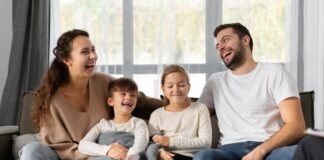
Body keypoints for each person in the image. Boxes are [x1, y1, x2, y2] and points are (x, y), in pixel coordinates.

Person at [193, 23, 305, 160]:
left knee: (298, 153)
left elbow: (296, 125)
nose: (221, 47)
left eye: (225, 40)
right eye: (217, 46)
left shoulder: (274, 73)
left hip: (271, 149)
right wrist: (159, 104)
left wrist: (260, 151)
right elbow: (190, 114)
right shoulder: (215, 81)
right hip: (228, 152)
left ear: (245, 40)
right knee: (203, 156)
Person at [19, 29, 116, 159]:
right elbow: (56, 146)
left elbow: (138, 100)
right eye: (85, 52)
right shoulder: (50, 95)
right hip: (62, 156)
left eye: (93, 50)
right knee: (32, 149)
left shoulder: (105, 82)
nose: (93, 56)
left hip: (98, 154)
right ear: (66, 60)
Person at [147, 64, 212, 160]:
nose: (176, 90)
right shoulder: (157, 115)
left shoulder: (200, 109)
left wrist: (171, 141)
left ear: (188, 87)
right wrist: (160, 153)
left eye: (181, 85)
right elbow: (150, 143)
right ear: (163, 89)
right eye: (170, 86)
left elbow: (206, 143)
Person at [78, 77, 149, 160]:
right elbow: (83, 145)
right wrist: (108, 150)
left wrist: (126, 156)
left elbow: (140, 145)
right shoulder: (103, 124)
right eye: (123, 94)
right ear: (111, 101)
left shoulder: (139, 123)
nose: (128, 97)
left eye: (133, 95)